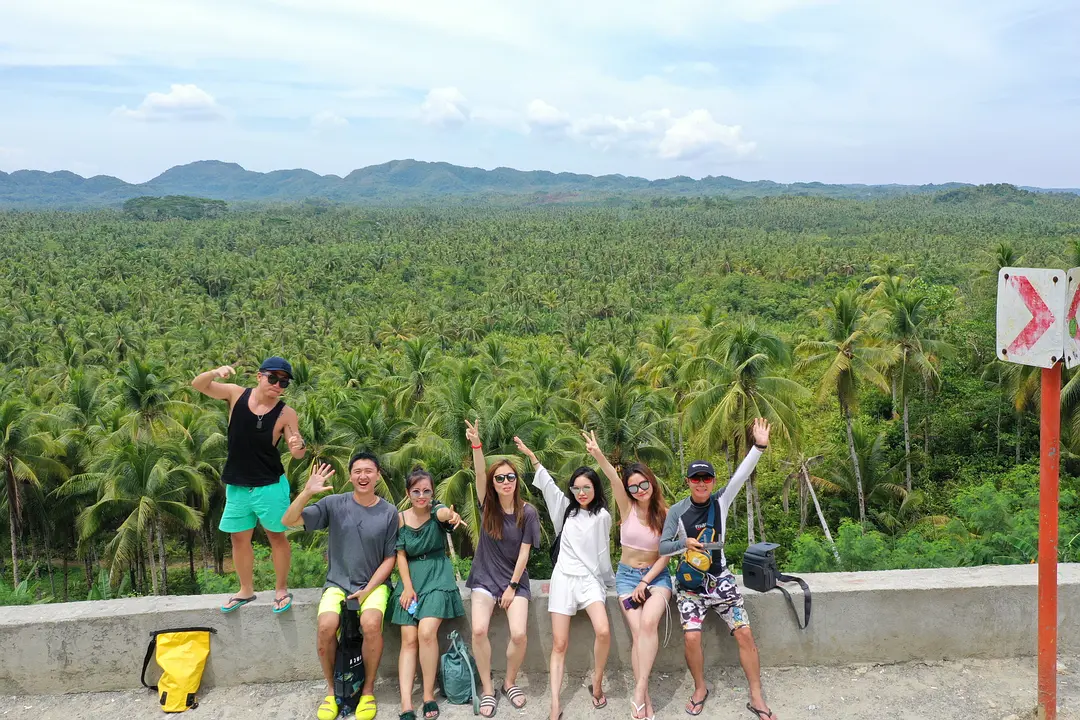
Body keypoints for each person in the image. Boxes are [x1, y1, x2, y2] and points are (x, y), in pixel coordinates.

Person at [659, 418, 776, 719]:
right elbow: (661, 547)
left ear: (712, 481)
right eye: (696, 479)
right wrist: (684, 544)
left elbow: (741, 475)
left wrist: (759, 446)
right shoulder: (677, 511)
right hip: (689, 586)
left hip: (720, 580)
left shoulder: (720, 502)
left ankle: (756, 695)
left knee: (745, 633)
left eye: (706, 479)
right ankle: (700, 688)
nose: (701, 484)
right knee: (692, 637)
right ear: (688, 482)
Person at [281, 452, 399, 720]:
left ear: (378, 475)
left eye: (369, 471)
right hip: (337, 583)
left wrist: (368, 590)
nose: (363, 476)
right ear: (350, 475)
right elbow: (288, 521)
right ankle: (333, 691)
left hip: (374, 585)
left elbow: (390, 557)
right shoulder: (334, 503)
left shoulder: (389, 512)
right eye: (357, 471)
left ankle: (367, 690)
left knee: (370, 624)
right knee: (325, 627)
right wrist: (307, 492)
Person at [191, 356, 306, 614]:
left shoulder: (287, 413)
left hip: (270, 484)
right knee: (239, 538)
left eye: (284, 382)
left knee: (277, 536)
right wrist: (214, 371)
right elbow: (198, 385)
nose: (278, 385)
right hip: (238, 484)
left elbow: (296, 450)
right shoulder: (236, 394)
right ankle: (245, 590)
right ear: (259, 376)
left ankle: (280, 589)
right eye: (273, 378)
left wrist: (298, 444)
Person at [514, 436, 614, 720]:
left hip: (590, 580)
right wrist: (532, 456)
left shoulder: (602, 516)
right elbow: (546, 484)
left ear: (595, 488)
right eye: (577, 488)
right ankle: (555, 703)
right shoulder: (565, 511)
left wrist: (609, 581)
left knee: (604, 630)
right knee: (559, 643)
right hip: (563, 580)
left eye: (587, 487)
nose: (581, 492)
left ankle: (596, 684)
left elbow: (603, 553)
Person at [584, 431, 672, 720]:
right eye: (633, 487)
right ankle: (645, 698)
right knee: (638, 634)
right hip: (626, 578)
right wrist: (597, 453)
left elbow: (666, 556)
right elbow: (611, 477)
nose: (639, 490)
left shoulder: (667, 514)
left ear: (652, 482)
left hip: (656, 579)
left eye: (643, 484)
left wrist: (647, 581)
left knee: (648, 624)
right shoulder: (627, 507)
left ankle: (638, 692)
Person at [464, 419, 541, 718]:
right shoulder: (488, 506)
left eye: (510, 477)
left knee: (519, 634)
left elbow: (524, 554)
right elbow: (479, 470)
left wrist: (511, 586)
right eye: (500, 479)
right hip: (484, 577)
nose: (506, 482)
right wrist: (476, 444)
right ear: (493, 484)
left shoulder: (528, 512)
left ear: (517, 481)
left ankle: (509, 682)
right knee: (479, 629)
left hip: (514, 581)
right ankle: (487, 688)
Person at [391, 467, 467, 720]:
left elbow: (444, 513)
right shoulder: (400, 518)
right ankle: (405, 703)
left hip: (437, 574)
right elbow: (400, 554)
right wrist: (408, 587)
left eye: (426, 491)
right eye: (416, 491)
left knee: (426, 633)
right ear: (407, 493)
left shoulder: (436, 511)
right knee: (409, 639)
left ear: (432, 492)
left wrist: (451, 515)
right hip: (411, 578)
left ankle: (427, 695)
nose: (421, 496)